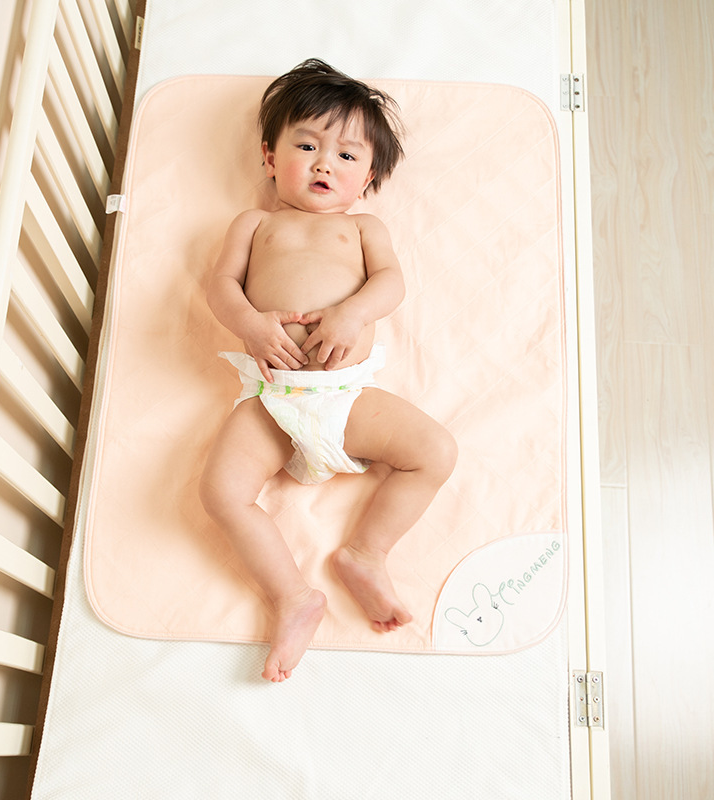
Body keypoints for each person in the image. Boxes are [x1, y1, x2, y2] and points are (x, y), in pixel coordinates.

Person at [199, 59, 457, 682]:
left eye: (345, 156)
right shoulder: (255, 224)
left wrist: (352, 313)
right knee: (220, 492)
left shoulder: (364, 228)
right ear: (270, 157)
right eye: (306, 146)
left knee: (436, 451)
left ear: (368, 178)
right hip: (270, 397)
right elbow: (221, 285)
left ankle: (366, 553)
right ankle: (292, 596)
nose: (323, 164)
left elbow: (390, 282)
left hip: (345, 394)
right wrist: (251, 325)